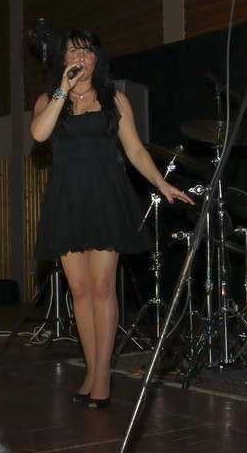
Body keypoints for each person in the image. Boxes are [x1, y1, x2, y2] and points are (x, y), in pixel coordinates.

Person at [31, 28, 192, 410]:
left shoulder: (114, 98)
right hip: (68, 200)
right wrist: (62, 90)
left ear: (96, 59)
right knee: (79, 290)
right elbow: (39, 134)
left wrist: (161, 183)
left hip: (105, 197)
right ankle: (91, 369)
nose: (81, 58)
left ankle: (102, 374)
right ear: (63, 59)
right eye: (74, 51)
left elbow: (134, 150)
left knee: (102, 286)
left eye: (87, 51)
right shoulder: (49, 99)